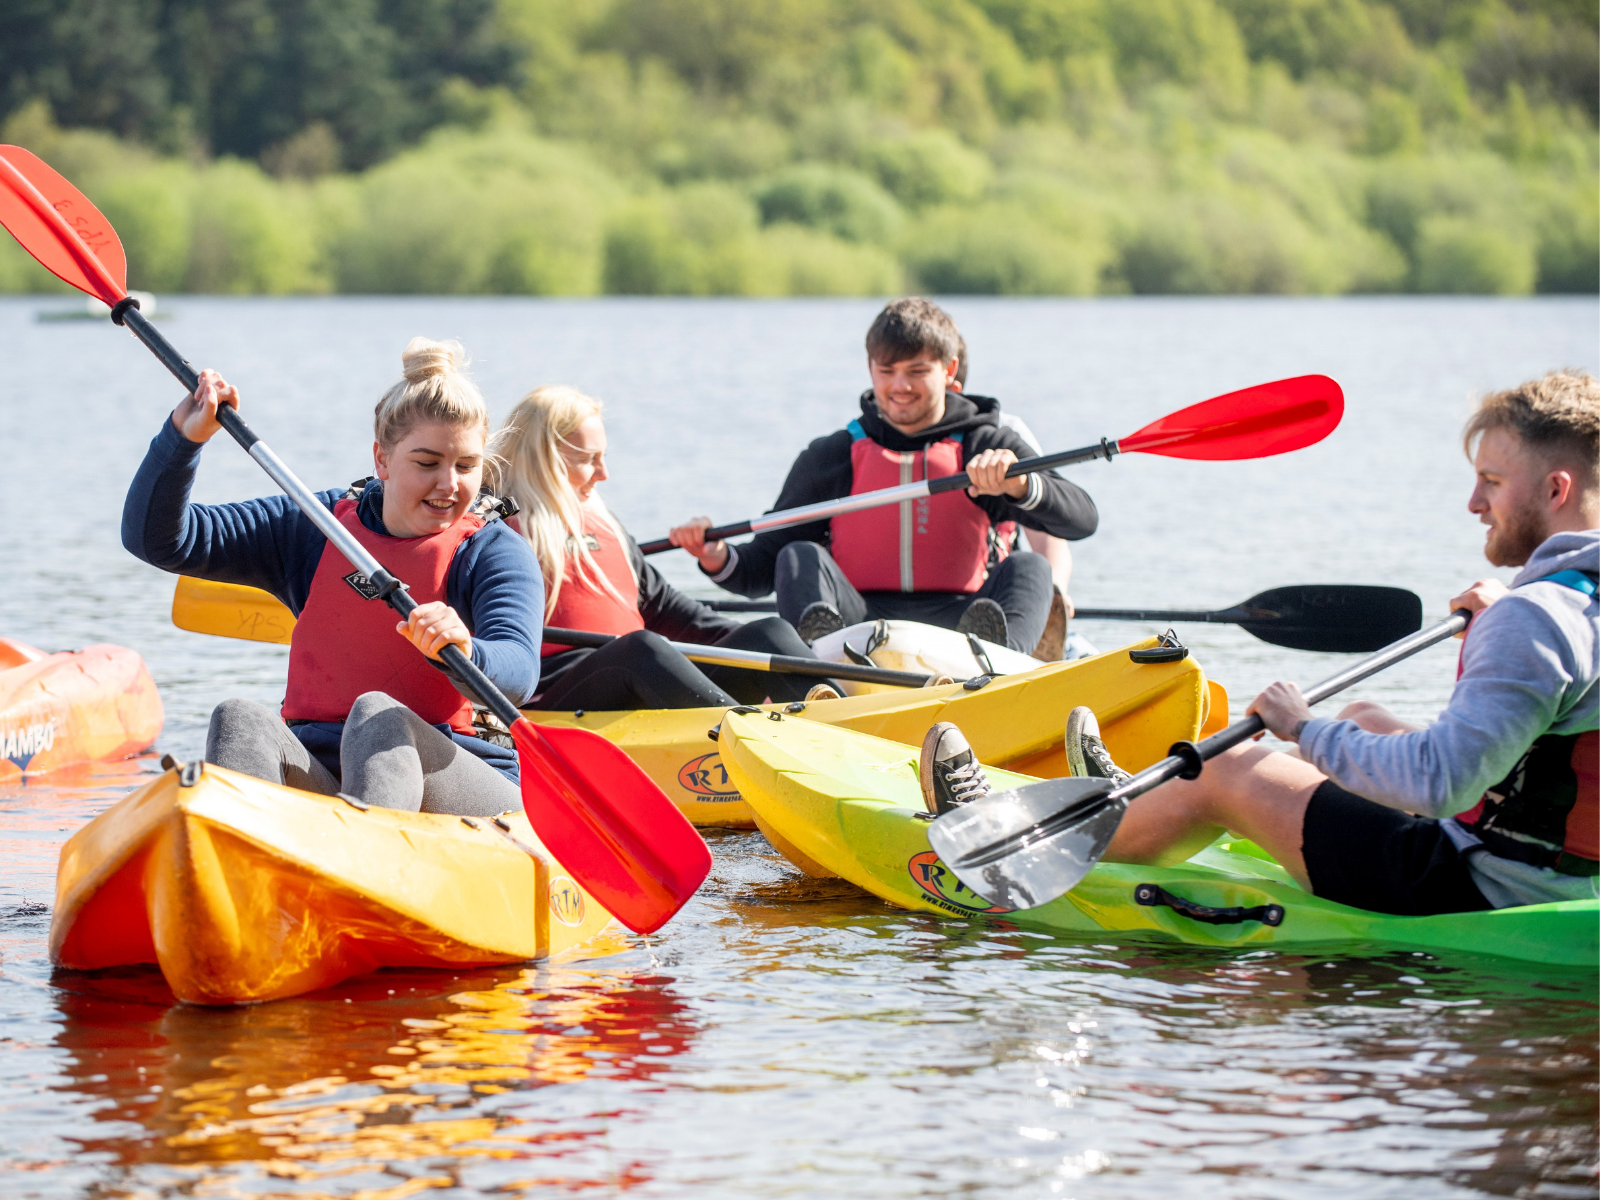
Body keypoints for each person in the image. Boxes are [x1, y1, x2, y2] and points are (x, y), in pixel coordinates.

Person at [919, 370, 1599, 916]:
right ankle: (1136, 798)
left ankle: (1016, 842)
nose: (1475, 504)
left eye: (1492, 482)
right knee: (1363, 716)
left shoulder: (1535, 619)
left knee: (1227, 766)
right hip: (1560, 869)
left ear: (1556, 488)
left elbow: (1438, 783)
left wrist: (1301, 728)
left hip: (1474, 886)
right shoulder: (1566, 603)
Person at [122, 338, 543, 817]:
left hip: (465, 782)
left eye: (467, 466)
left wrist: (467, 652)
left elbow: (519, 672)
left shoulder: (492, 549)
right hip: (325, 775)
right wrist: (183, 439)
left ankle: (363, 869)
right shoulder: (317, 527)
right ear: (381, 460)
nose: (449, 484)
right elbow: (157, 540)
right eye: (428, 463)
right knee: (240, 718)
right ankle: (247, 865)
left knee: (378, 717)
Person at [670, 298, 1098, 654]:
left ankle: (998, 670)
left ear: (949, 371)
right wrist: (716, 556)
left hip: (965, 625)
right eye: (887, 371)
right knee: (799, 554)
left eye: (917, 371)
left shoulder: (985, 443)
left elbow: (1082, 520)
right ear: (870, 368)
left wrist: (1021, 485)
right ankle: (821, 665)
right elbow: (760, 569)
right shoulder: (833, 455)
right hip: (862, 630)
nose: (900, 387)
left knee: (1031, 567)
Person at [494, 386, 837, 711]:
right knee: (641, 648)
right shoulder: (493, 527)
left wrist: (757, 650)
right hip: (556, 698)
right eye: (588, 459)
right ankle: (748, 736)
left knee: (769, 632)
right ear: (541, 459)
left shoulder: (603, 523)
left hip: (637, 675)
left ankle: (842, 712)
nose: (604, 473)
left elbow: (671, 610)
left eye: (604, 457)